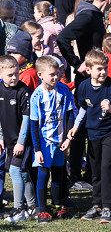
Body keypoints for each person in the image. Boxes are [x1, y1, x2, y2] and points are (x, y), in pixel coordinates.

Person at [70, 49, 111, 224]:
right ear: (88, 70)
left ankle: (108, 207)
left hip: (110, 133)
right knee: (94, 170)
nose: (103, 72)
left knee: (107, 167)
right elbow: (83, 109)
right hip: (92, 133)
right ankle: (96, 204)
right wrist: (75, 126)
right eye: (99, 69)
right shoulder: (83, 87)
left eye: (105, 68)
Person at [29, 56, 76, 222]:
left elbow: (70, 114)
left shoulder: (63, 91)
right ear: (40, 74)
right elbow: (33, 125)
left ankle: (58, 205)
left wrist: (68, 137)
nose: (55, 77)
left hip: (60, 141)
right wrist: (37, 149)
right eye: (52, 74)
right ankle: (42, 209)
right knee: (43, 175)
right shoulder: (36, 96)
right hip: (44, 142)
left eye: (57, 74)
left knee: (58, 174)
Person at [0, 54, 34, 222]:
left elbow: (27, 119)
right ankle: (33, 207)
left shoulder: (23, 91)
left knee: (15, 171)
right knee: (24, 174)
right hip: (9, 141)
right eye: (9, 75)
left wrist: (21, 141)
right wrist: (1, 137)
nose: (14, 77)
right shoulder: (0, 90)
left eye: (16, 73)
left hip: (23, 142)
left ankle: (18, 209)